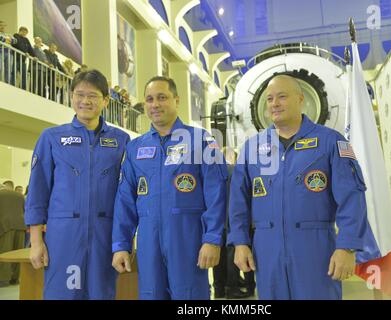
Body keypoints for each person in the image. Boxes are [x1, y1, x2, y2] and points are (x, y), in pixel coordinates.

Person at [228, 74, 370, 300]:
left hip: (315, 250)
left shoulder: (330, 142)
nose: (275, 104)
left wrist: (347, 247)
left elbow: (352, 198)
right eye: (270, 99)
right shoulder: (251, 149)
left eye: (282, 96)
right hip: (267, 251)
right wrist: (240, 242)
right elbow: (238, 202)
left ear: (300, 98)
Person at [112, 76, 227, 300]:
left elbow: (216, 195)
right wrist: (120, 245)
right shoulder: (136, 148)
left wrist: (212, 239)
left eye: (162, 98)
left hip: (188, 241)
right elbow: (125, 200)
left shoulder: (201, 141)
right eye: (149, 99)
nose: (155, 104)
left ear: (176, 100)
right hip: (148, 243)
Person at [25, 69, 130, 300]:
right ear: (71, 96)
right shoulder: (51, 138)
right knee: (60, 295)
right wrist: (36, 242)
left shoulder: (121, 141)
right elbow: (37, 193)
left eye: (92, 95)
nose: (85, 101)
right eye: (79, 94)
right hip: (62, 236)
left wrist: (124, 240)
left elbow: (127, 195)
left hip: (105, 236)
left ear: (105, 100)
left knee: (102, 294)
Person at [213, 147, 253, 299]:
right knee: (231, 253)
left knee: (220, 253)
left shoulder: (215, 172)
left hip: (218, 219)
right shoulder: (234, 170)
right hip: (232, 218)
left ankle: (219, 288)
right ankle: (232, 287)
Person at [0, 183, 26, 287]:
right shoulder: (19, 195)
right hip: (20, 225)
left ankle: (3, 279)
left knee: (5, 252)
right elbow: (25, 210)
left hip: (5, 226)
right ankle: (15, 278)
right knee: (17, 253)